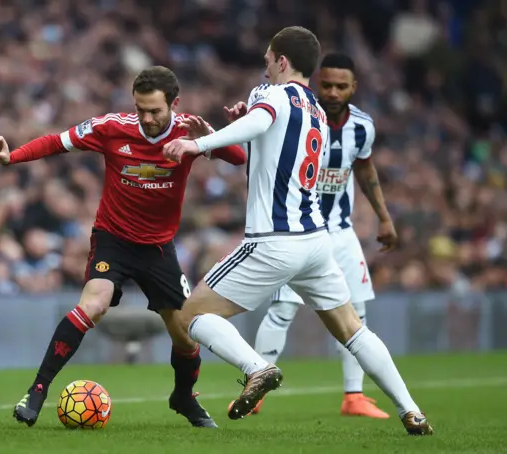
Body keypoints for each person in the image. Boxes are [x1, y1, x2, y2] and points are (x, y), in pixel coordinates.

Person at [162, 27, 433, 435]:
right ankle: (412, 410)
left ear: (282, 61)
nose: (265, 66)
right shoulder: (318, 113)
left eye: (269, 59)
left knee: (189, 315)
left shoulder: (274, 95)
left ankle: (258, 367)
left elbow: (263, 122)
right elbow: (268, 146)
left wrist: (198, 145)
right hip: (315, 241)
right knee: (353, 331)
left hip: (273, 239)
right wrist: (237, 131)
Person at [0, 66, 246, 429]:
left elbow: (238, 158)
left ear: (175, 104)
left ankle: (183, 397)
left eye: (155, 110)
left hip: (158, 249)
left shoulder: (189, 131)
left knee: (185, 335)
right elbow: (56, 142)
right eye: (141, 109)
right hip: (114, 239)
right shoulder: (111, 127)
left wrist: (209, 139)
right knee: (92, 305)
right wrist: (12, 157)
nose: (148, 118)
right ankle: (37, 391)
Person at [248, 53, 396, 419]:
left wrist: (384, 216)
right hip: (299, 230)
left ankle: (353, 397)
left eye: (340, 86)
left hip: (341, 232)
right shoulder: (297, 114)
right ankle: (256, 387)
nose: (332, 92)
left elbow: (363, 167)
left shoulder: (362, 127)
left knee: (356, 314)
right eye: (326, 84)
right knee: (282, 309)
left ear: (353, 87)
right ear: (316, 81)